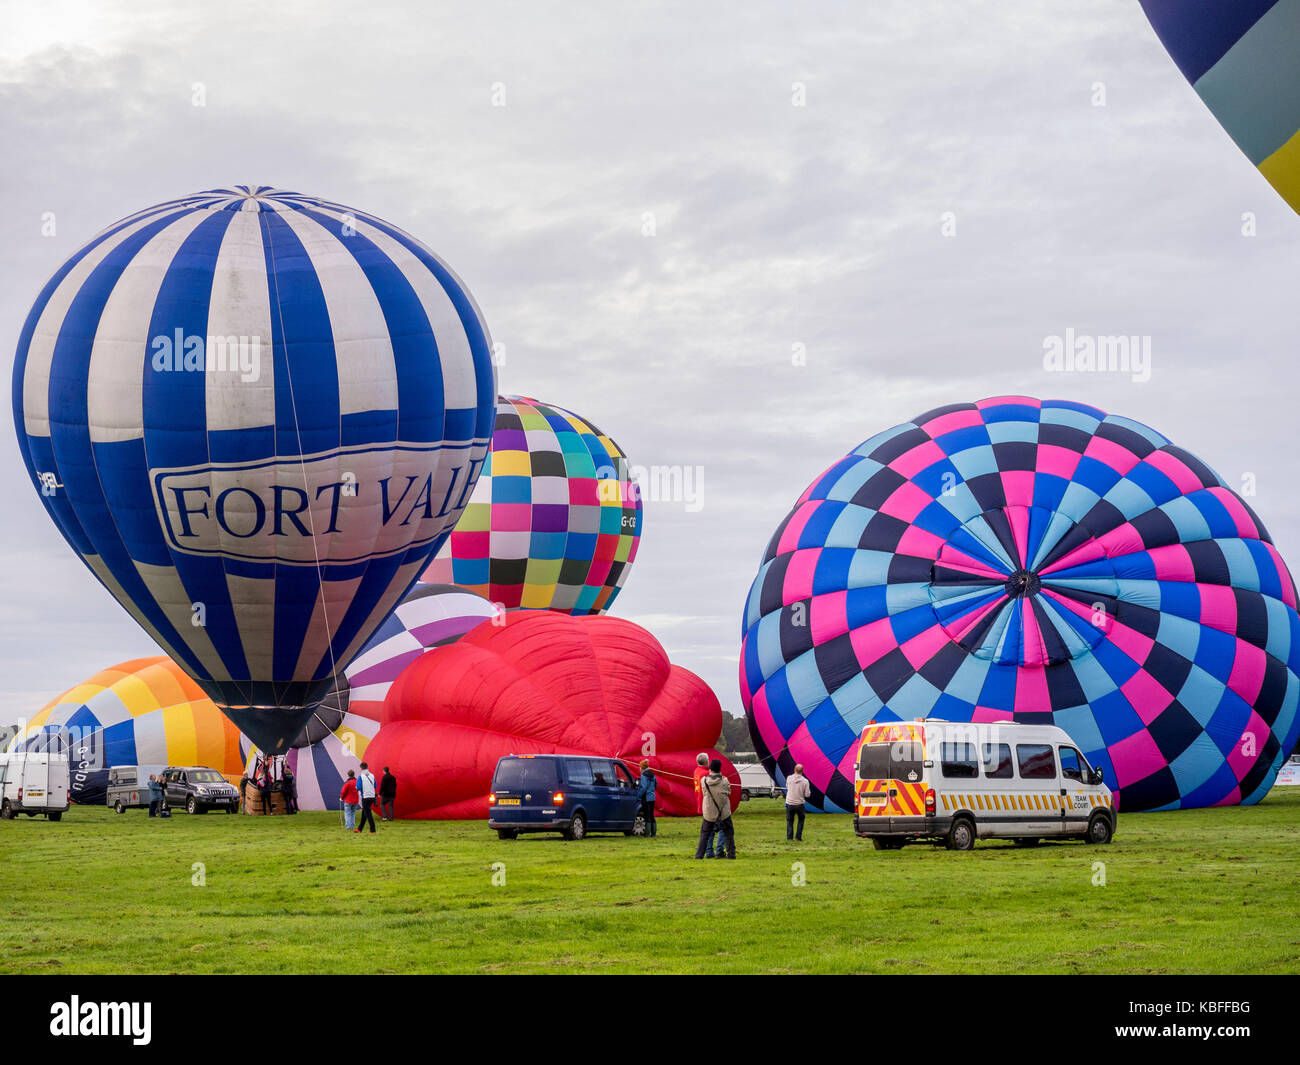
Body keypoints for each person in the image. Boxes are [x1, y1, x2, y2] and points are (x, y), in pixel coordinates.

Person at [695, 759, 735, 859]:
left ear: (710, 769)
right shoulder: (725, 781)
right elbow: (728, 791)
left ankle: (699, 855)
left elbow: (704, 792)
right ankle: (731, 854)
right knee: (728, 833)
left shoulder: (703, 781)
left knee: (704, 835)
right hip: (723, 812)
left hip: (709, 812)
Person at [693, 753, 718, 857]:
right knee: (711, 829)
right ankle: (709, 851)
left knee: (708, 828)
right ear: (706, 761)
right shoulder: (705, 774)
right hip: (708, 804)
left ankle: (708, 851)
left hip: (701, 802)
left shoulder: (697, 771)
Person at [784, 763, 811, 841]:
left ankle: (789, 837)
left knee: (789, 821)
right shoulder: (805, 781)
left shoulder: (789, 778)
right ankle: (798, 837)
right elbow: (807, 794)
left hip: (790, 803)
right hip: (800, 804)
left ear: (794, 770)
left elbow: (787, 787)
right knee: (801, 820)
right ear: (802, 771)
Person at [635, 759, 658, 837]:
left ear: (642, 767)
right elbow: (656, 785)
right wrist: (651, 791)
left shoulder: (644, 775)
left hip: (646, 798)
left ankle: (647, 834)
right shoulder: (653, 774)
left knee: (647, 815)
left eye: (640, 767)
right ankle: (653, 834)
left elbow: (643, 787)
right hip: (652, 797)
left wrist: (638, 796)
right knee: (652, 815)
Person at [355, 762, 378, 833]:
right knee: (364, 813)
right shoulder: (372, 775)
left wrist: (356, 787)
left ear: (361, 768)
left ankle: (373, 829)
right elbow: (375, 785)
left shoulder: (361, 776)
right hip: (372, 796)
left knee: (368, 814)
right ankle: (360, 829)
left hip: (365, 796)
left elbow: (358, 787)